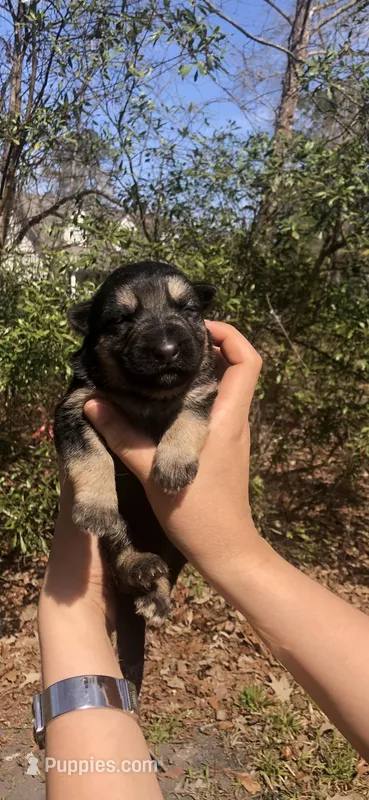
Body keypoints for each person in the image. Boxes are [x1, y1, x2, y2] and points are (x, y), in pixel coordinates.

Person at [38, 320, 369, 800]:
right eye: (126, 320)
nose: (167, 339)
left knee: (158, 548)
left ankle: (148, 573)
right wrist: (239, 556)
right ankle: (135, 566)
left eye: (182, 310)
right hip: (121, 517)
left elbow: (196, 404)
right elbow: (73, 418)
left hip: (156, 534)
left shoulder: (194, 390)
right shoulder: (87, 386)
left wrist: (73, 607)